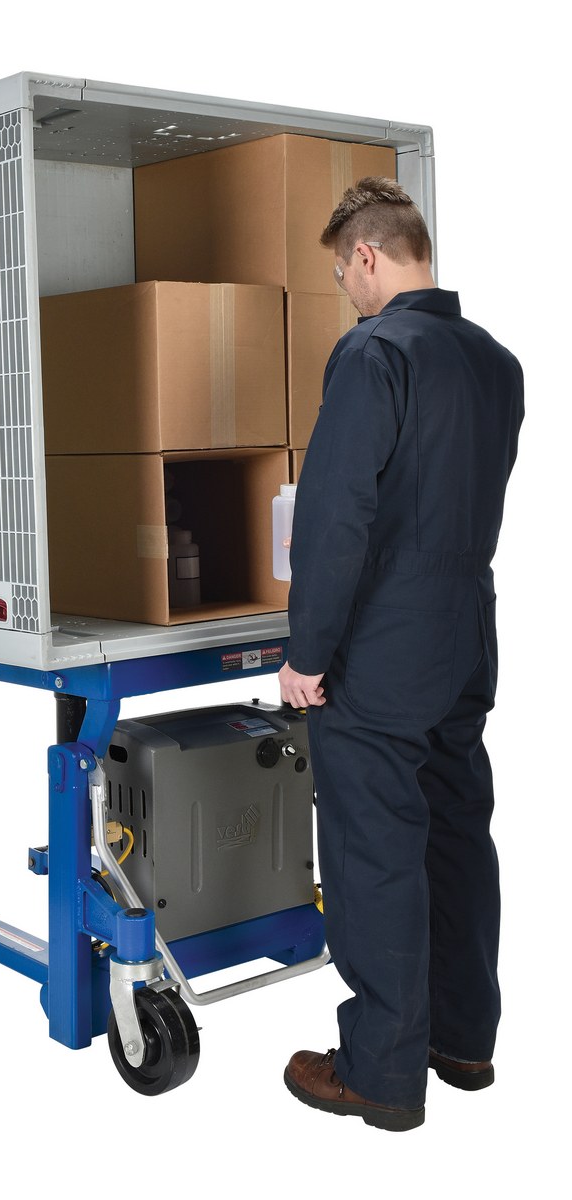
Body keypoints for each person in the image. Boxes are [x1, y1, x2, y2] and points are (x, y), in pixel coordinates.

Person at [278, 177, 524, 1132]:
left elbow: (336, 515)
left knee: (373, 850)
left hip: (383, 642)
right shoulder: (495, 360)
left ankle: (379, 1074)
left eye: (343, 272)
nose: (344, 288)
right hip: (465, 631)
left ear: (368, 255)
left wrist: (307, 655)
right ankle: (461, 1041)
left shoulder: (374, 350)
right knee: (454, 835)